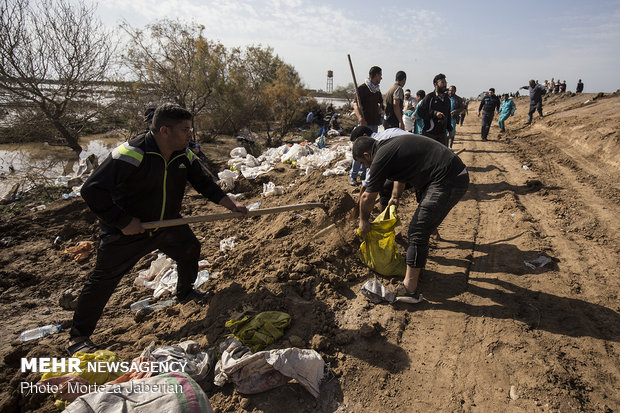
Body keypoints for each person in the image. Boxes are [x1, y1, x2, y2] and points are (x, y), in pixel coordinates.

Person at [67, 104, 248, 355]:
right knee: (103, 280)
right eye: (185, 130)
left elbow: (204, 183)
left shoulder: (183, 154)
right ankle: (78, 337)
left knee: (189, 250)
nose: (190, 135)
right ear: (164, 130)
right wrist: (122, 221)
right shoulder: (132, 153)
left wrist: (231, 204)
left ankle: (185, 293)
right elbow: (91, 189)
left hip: (167, 223)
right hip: (126, 231)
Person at [353, 133, 469, 298]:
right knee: (422, 224)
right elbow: (399, 178)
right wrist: (395, 197)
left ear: (366, 154)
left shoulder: (380, 155)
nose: (365, 167)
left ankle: (409, 290)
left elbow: (368, 196)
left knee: (417, 230)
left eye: (363, 163)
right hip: (445, 175)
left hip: (448, 179)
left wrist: (363, 221)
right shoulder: (387, 148)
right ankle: (417, 268)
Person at [351, 66, 384, 186]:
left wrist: (379, 109)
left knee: (370, 150)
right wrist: (360, 118)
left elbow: (380, 102)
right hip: (364, 123)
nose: (381, 78)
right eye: (380, 75)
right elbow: (355, 104)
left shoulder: (376, 90)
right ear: (375, 75)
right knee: (359, 148)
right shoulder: (362, 88)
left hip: (374, 123)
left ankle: (364, 173)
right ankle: (353, 175)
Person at [416, 73, 452, 147]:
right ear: (435, 84)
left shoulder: (447, 99)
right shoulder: (429, 98)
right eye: (442, 82)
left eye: (445, 82)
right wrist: (434, 114)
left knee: (442, 156)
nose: (444, 85)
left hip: (442, 134)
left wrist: (450, 129)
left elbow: (448, 115)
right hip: (429, 134)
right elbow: (420, 112)